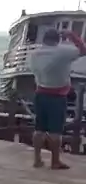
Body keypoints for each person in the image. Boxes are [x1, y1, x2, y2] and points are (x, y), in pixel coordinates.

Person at [28, 28, 86, 170]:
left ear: (44, 40)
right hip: (57, 96)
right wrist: (71, 35)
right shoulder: (62, 52)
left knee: (39, 129)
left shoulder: (34, 54)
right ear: (58, 40)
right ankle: (55, 161)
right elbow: (83, 50)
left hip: (40, 94)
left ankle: (37, 159)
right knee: (55, 131)